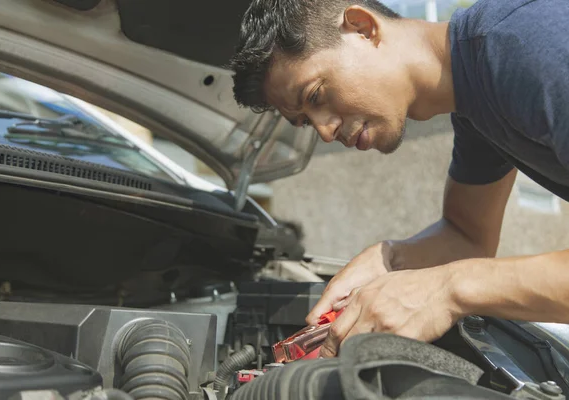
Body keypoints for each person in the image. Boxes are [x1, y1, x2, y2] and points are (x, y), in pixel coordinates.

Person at [228, 0, 569, 358]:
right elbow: (467, 236)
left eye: (315, 95)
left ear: (362, 28)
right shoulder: (474, 105)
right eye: (306, 122)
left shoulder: (526, 41)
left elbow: (462, 268)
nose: (325, 132)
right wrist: (391, 258)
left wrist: (449, 289)